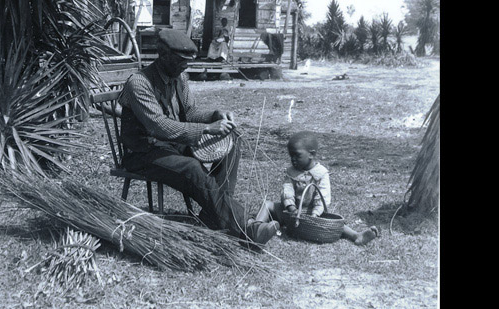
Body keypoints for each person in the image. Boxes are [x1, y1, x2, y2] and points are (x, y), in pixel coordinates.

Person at [119, 28, 278, 246]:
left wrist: (215, 115)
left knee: (232, 142)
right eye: (180, 61)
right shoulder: (139, 83)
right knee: (192, 168)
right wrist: (206, 129)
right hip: (143, 153)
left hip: (171, 145)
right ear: (162, 55)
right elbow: (159, 127)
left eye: (188, 61)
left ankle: (215, 215)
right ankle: (247, 227)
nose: (185, 66)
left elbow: (191, 112)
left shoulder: (179, 77)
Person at [250, 131, 379, 246]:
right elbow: (287, 191)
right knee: (268, 205)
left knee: (334, 223)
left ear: (311, 154)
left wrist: (315, 214)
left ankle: (356, 235)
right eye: (291, 156)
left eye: (297, 155)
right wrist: (291, 208)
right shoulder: (291, 172)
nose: (293, 159)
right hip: (290, 212)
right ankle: (255, 229)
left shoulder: (321, 173)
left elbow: (323, 196)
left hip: (312, 213)